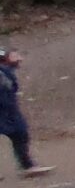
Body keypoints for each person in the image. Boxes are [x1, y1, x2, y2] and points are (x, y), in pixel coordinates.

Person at [1, 49, 51, 178]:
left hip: (9, 109)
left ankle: (27, 166)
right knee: (19, 133)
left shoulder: (7, 73)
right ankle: (27, 166)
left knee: (20, 133)